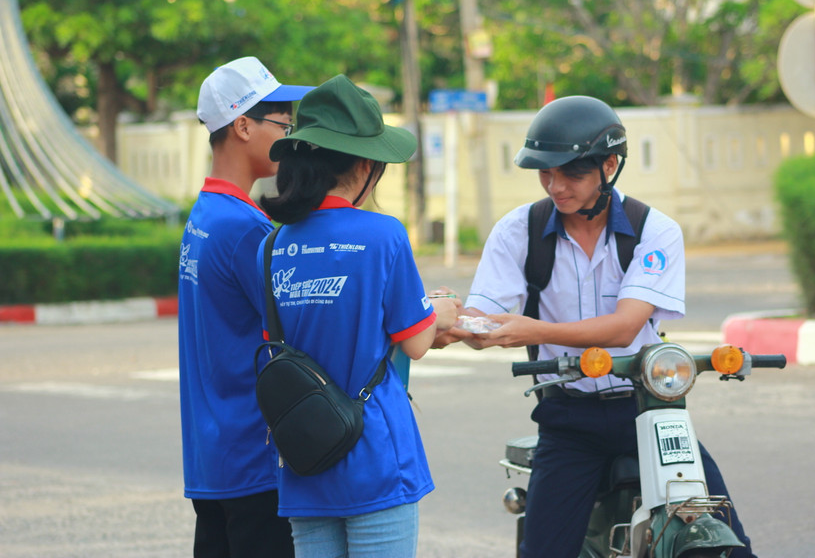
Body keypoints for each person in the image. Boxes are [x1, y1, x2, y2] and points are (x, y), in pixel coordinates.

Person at [436, 95, 757, 558]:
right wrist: (446, 322)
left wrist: (535, 331)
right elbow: (486, 319)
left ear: (610, 165)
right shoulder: (518, 231)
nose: (555, 186)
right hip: (568, 422)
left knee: (722, 544)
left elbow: (625, 327)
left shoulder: (654, 231)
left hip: (649, 411)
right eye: (545, 172)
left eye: (572, 173)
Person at [256, 74, 460, 557]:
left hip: (305, 460)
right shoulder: (382, 234)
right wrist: (444, 312)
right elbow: (414, 340)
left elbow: (280, 349)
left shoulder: (272, 246)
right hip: (374, 460)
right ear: (367, 165)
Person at [178, 56, 314, 558]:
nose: (290, 137)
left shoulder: (206, 214)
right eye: (283, 124)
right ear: (242, 126)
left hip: (214, 457)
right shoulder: (245, 229)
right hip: (253, 462)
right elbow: (299, 327)